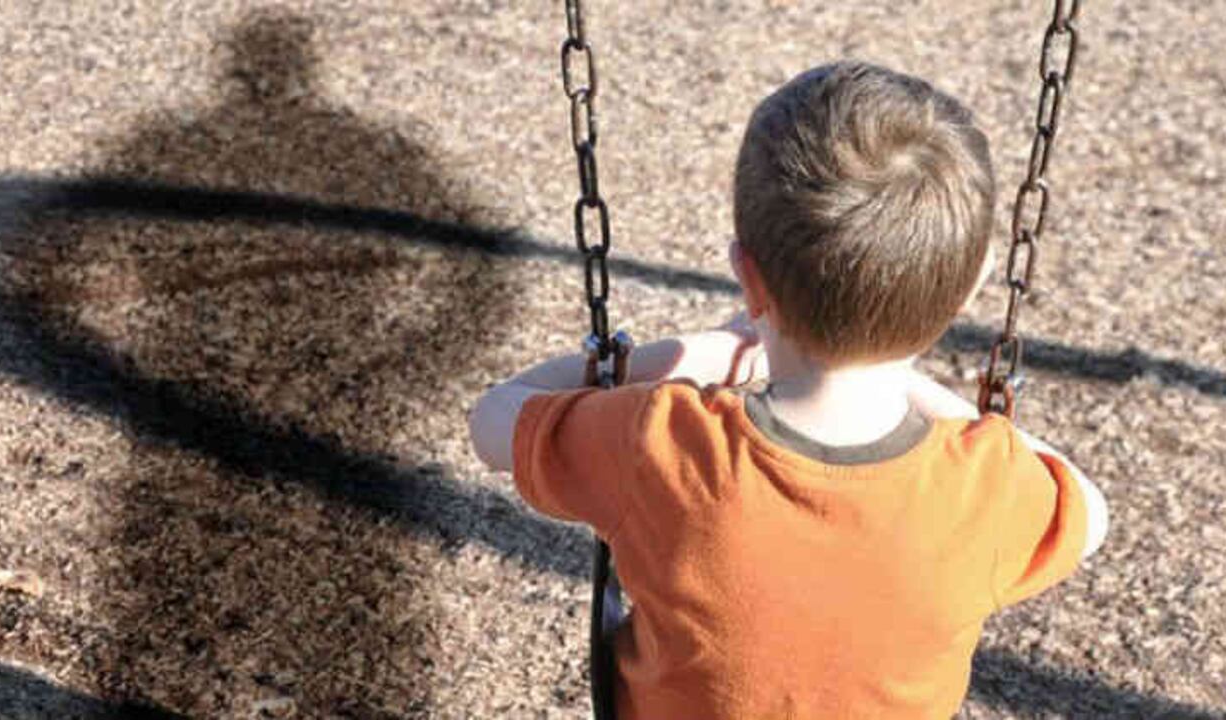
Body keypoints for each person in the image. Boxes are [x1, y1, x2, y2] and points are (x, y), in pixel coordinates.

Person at [469, 61, 1108, 719]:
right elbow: (1090, 511)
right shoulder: (985, 486)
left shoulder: (663, 443)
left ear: (748, 278)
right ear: (973, 286)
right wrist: (920, 388)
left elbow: (491, 421)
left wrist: (684, 355)